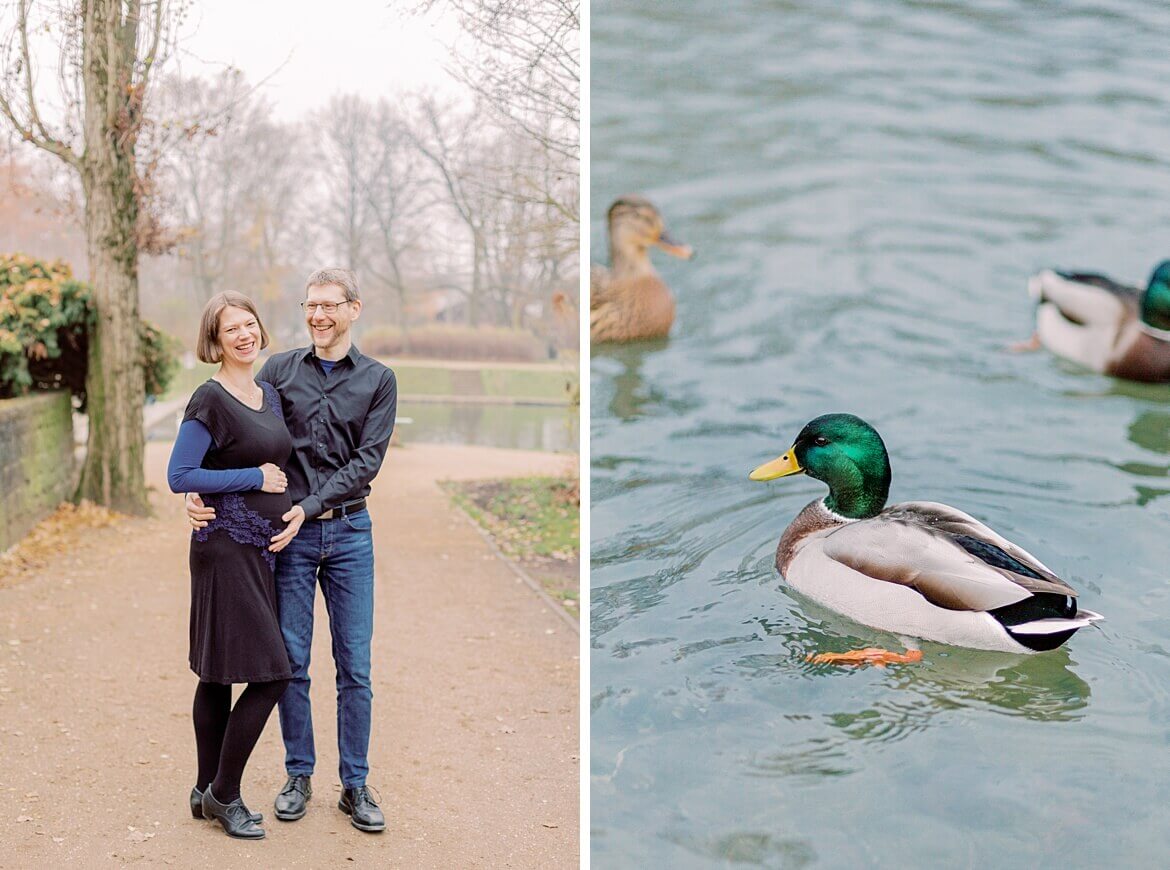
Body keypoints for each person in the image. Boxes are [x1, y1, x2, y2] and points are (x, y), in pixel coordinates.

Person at [186, 268, 397, 833]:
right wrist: (198, 495)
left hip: (351, 533)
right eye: (311, 305)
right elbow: (237, 440)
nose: (318, 316)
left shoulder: (379, 380)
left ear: (354, 308)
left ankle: (355, 785)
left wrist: (310, 503)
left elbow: (367, 462)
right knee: (290, 663)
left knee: (355, 666)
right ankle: (298, 774)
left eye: (330, 305)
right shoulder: (277, 372)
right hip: (289, 539)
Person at [167, 292, 296, 841]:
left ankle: (203, 789)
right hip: (224, 547)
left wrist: (287, 501)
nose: (243, 335)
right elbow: (180, 474)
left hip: (257, 547)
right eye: (230, 329)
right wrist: (253, 478)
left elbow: (281, 463)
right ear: (214, 341)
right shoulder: (211, 398)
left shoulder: (266, 392)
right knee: (272, 673)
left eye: (249, 325)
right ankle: (226, 792)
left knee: (219, 671)